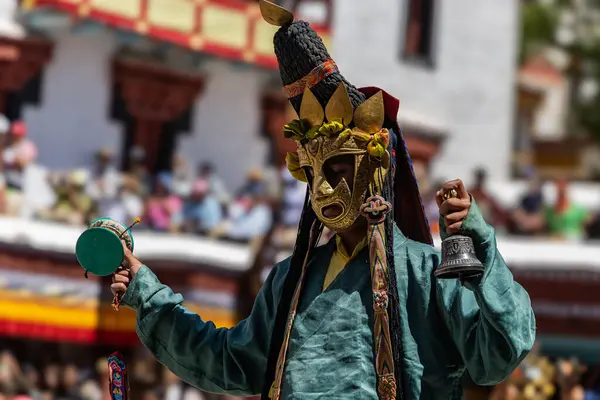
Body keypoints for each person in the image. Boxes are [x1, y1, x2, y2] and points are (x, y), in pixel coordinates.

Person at [110, 2, 535, 399]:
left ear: (373, 169)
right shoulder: (289, 281)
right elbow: (230, 361)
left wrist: (477, 245)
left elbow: (496, 356)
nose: (322, 189)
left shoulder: (426, 273)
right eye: (313, 174)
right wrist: (147, 294)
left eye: (336, 171)